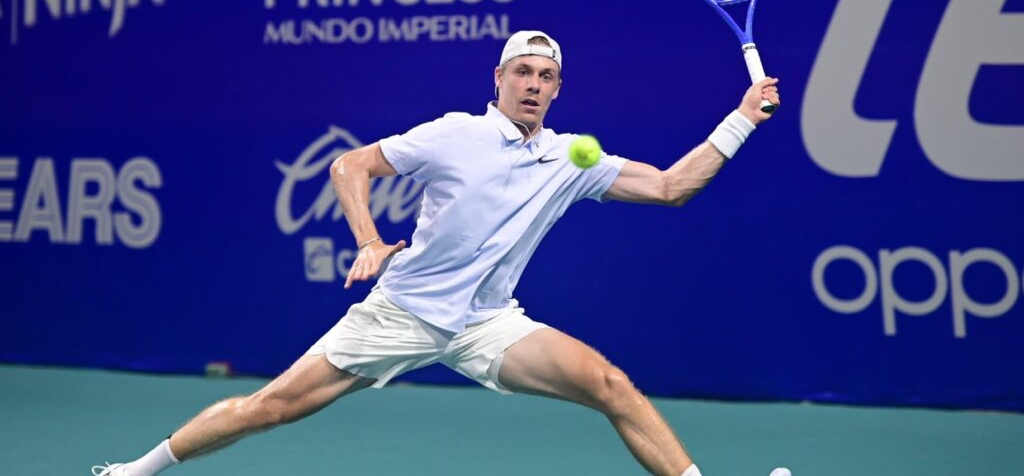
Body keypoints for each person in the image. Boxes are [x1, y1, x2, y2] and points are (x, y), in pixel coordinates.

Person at [93, 30, 781, 476]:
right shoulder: (452, 135)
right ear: (499, 78)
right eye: (523, 72)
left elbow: (669, 187)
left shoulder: (571, 158)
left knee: (611, 385)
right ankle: (137, 470)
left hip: (489, 323)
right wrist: (368, 241)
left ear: (559, 88)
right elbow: (348, 166)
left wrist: (744, 117)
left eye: (547, 75)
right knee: (269, 408)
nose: (535, 84)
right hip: (404, 311)